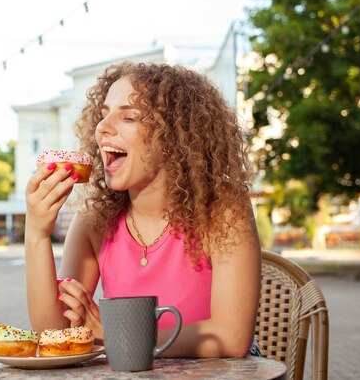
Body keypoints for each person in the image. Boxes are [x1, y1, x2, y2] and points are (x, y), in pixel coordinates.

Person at [24, 62, 261, 358]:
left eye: (129, 116)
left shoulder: (223, 210)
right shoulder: (94, 222)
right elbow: (57, 336)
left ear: (175, 136)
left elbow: (231, 338)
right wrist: (36, 234)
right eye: (103, 115)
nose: (102, 128)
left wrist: (116, 335)